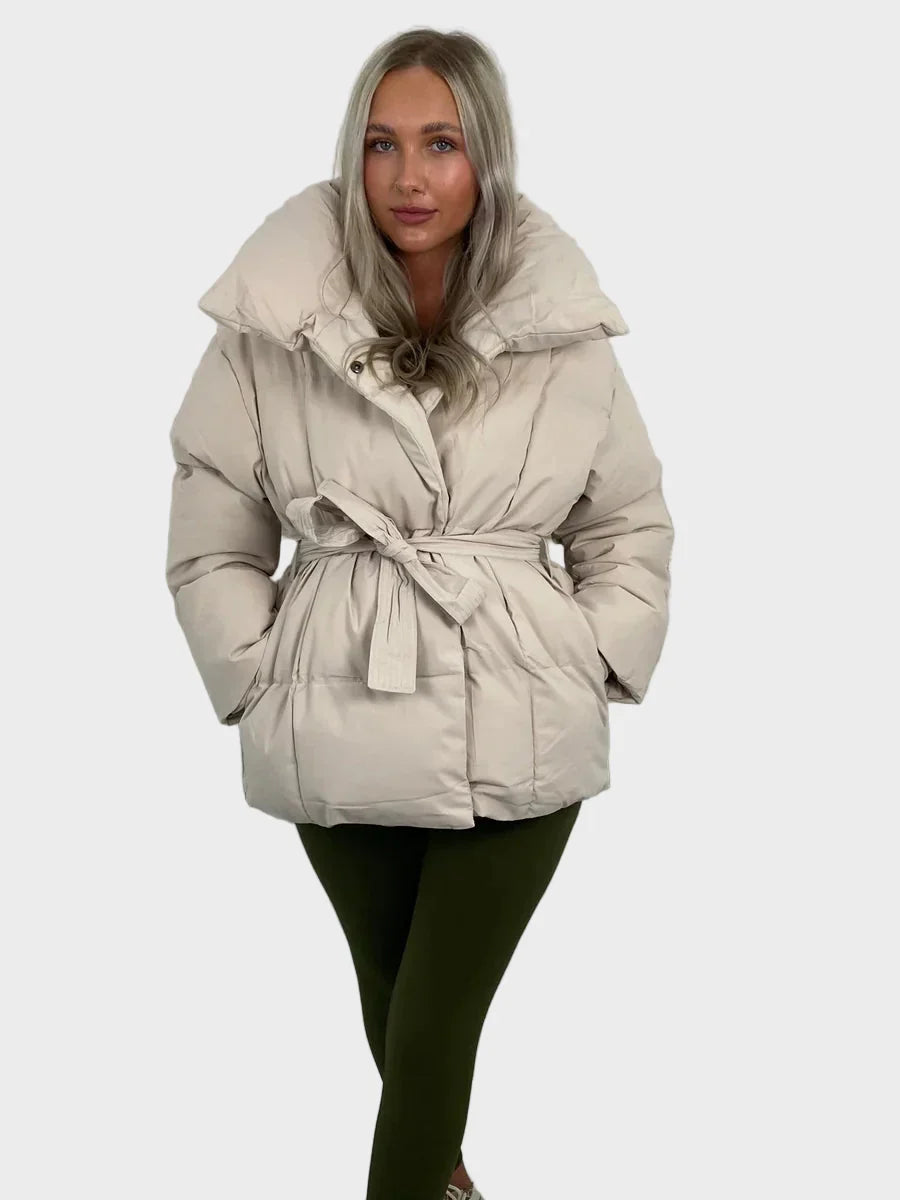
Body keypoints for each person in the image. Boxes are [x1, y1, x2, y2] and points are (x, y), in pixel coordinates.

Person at [165, 26, 674, 1200]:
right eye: (381, 143)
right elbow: (213, 519)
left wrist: (591, 653)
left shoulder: (559, 323)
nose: (409, 176)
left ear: (486, 155)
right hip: (335, 696)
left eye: (441, 143)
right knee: (395, 1002)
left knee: (436, 1015)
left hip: (522, 700)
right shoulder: (272, 320)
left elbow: (627, 521)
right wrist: (254, 669)